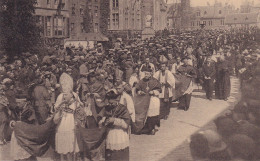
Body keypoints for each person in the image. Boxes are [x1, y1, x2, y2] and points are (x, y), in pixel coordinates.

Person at [54, 73, 81, 161]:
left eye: (66, 94)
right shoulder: (60, 96)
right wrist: (60, 107)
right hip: (62, 121)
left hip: (71, 121)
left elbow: (80, 108)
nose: (64, 95)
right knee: (63, 148)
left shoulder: (75, 95)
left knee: (71, 146)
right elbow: (56, 108)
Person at [99, 89, 131, 161]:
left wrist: (115, 120)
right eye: (109, 103)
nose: (110, 105)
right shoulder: (106, 108)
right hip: (110, 134)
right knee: (111, 155)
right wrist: (104, 121)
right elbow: (100, 119)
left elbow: (126, 124)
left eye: (112, 103)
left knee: (120, 156)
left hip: (120, 134)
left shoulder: (123, 109)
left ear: (117, 100)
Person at [135, 67, 161, 135]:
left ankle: (152, 128)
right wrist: (140, 92)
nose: (146, 75)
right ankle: (144, 128)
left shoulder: (155, 81)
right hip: (143, 100)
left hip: (153, 99)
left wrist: (153, 91)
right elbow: (137, 89)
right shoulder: (141, 81)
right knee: (144, 114)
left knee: (152, 115)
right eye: (145, 74)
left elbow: (159, 90)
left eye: (147, 74)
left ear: (151, 74)